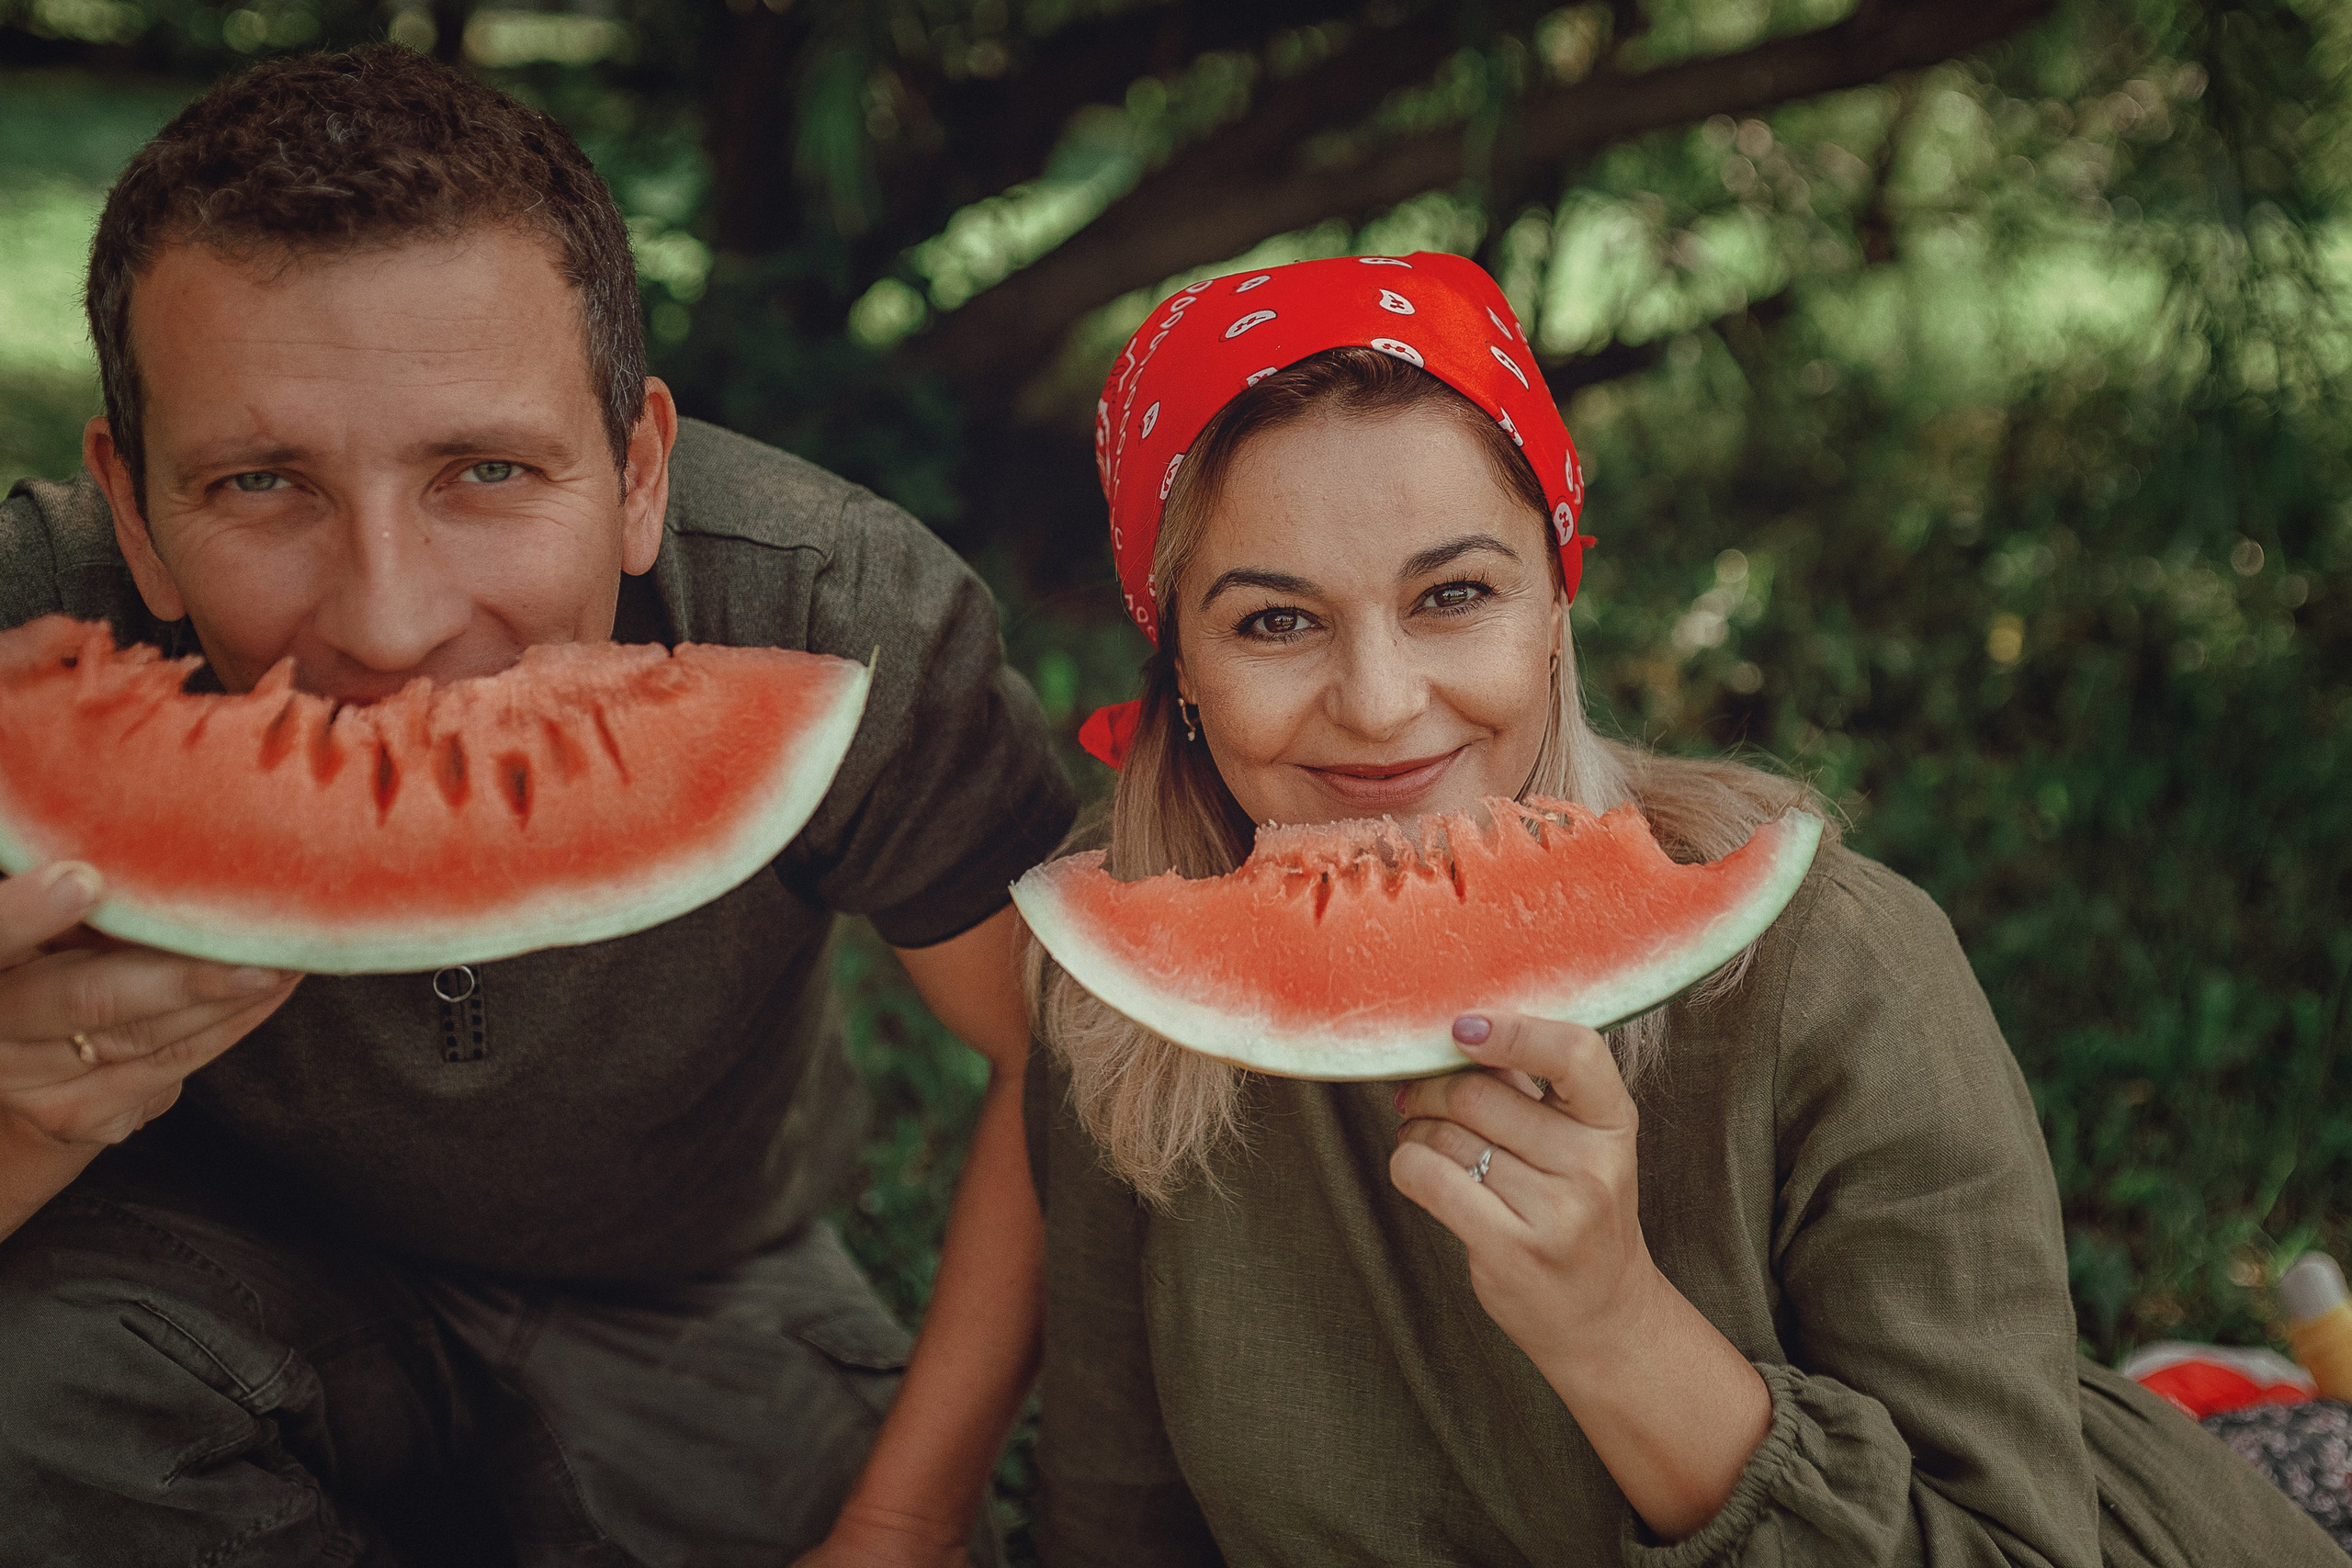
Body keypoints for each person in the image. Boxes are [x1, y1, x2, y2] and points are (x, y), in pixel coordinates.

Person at [1021, 252, 2346, 1565]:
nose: (1379, 701)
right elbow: (1115, 1530)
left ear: (1555, 607)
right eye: (1272, 623)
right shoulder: (1131, 997)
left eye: (1455, 596)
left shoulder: (1838, 967)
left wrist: (1612, 1326)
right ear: (1177, 657)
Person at [0, 47, 1072, 1567]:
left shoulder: (835, 619)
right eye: (259, 485)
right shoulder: (24, 646)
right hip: (192, 1276)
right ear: (131, 508)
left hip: (688, 1283)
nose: (387, 618)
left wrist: (901, 1527)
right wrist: (15, 1119)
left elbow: (1057, 1051)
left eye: (487, 469)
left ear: (640, 467)